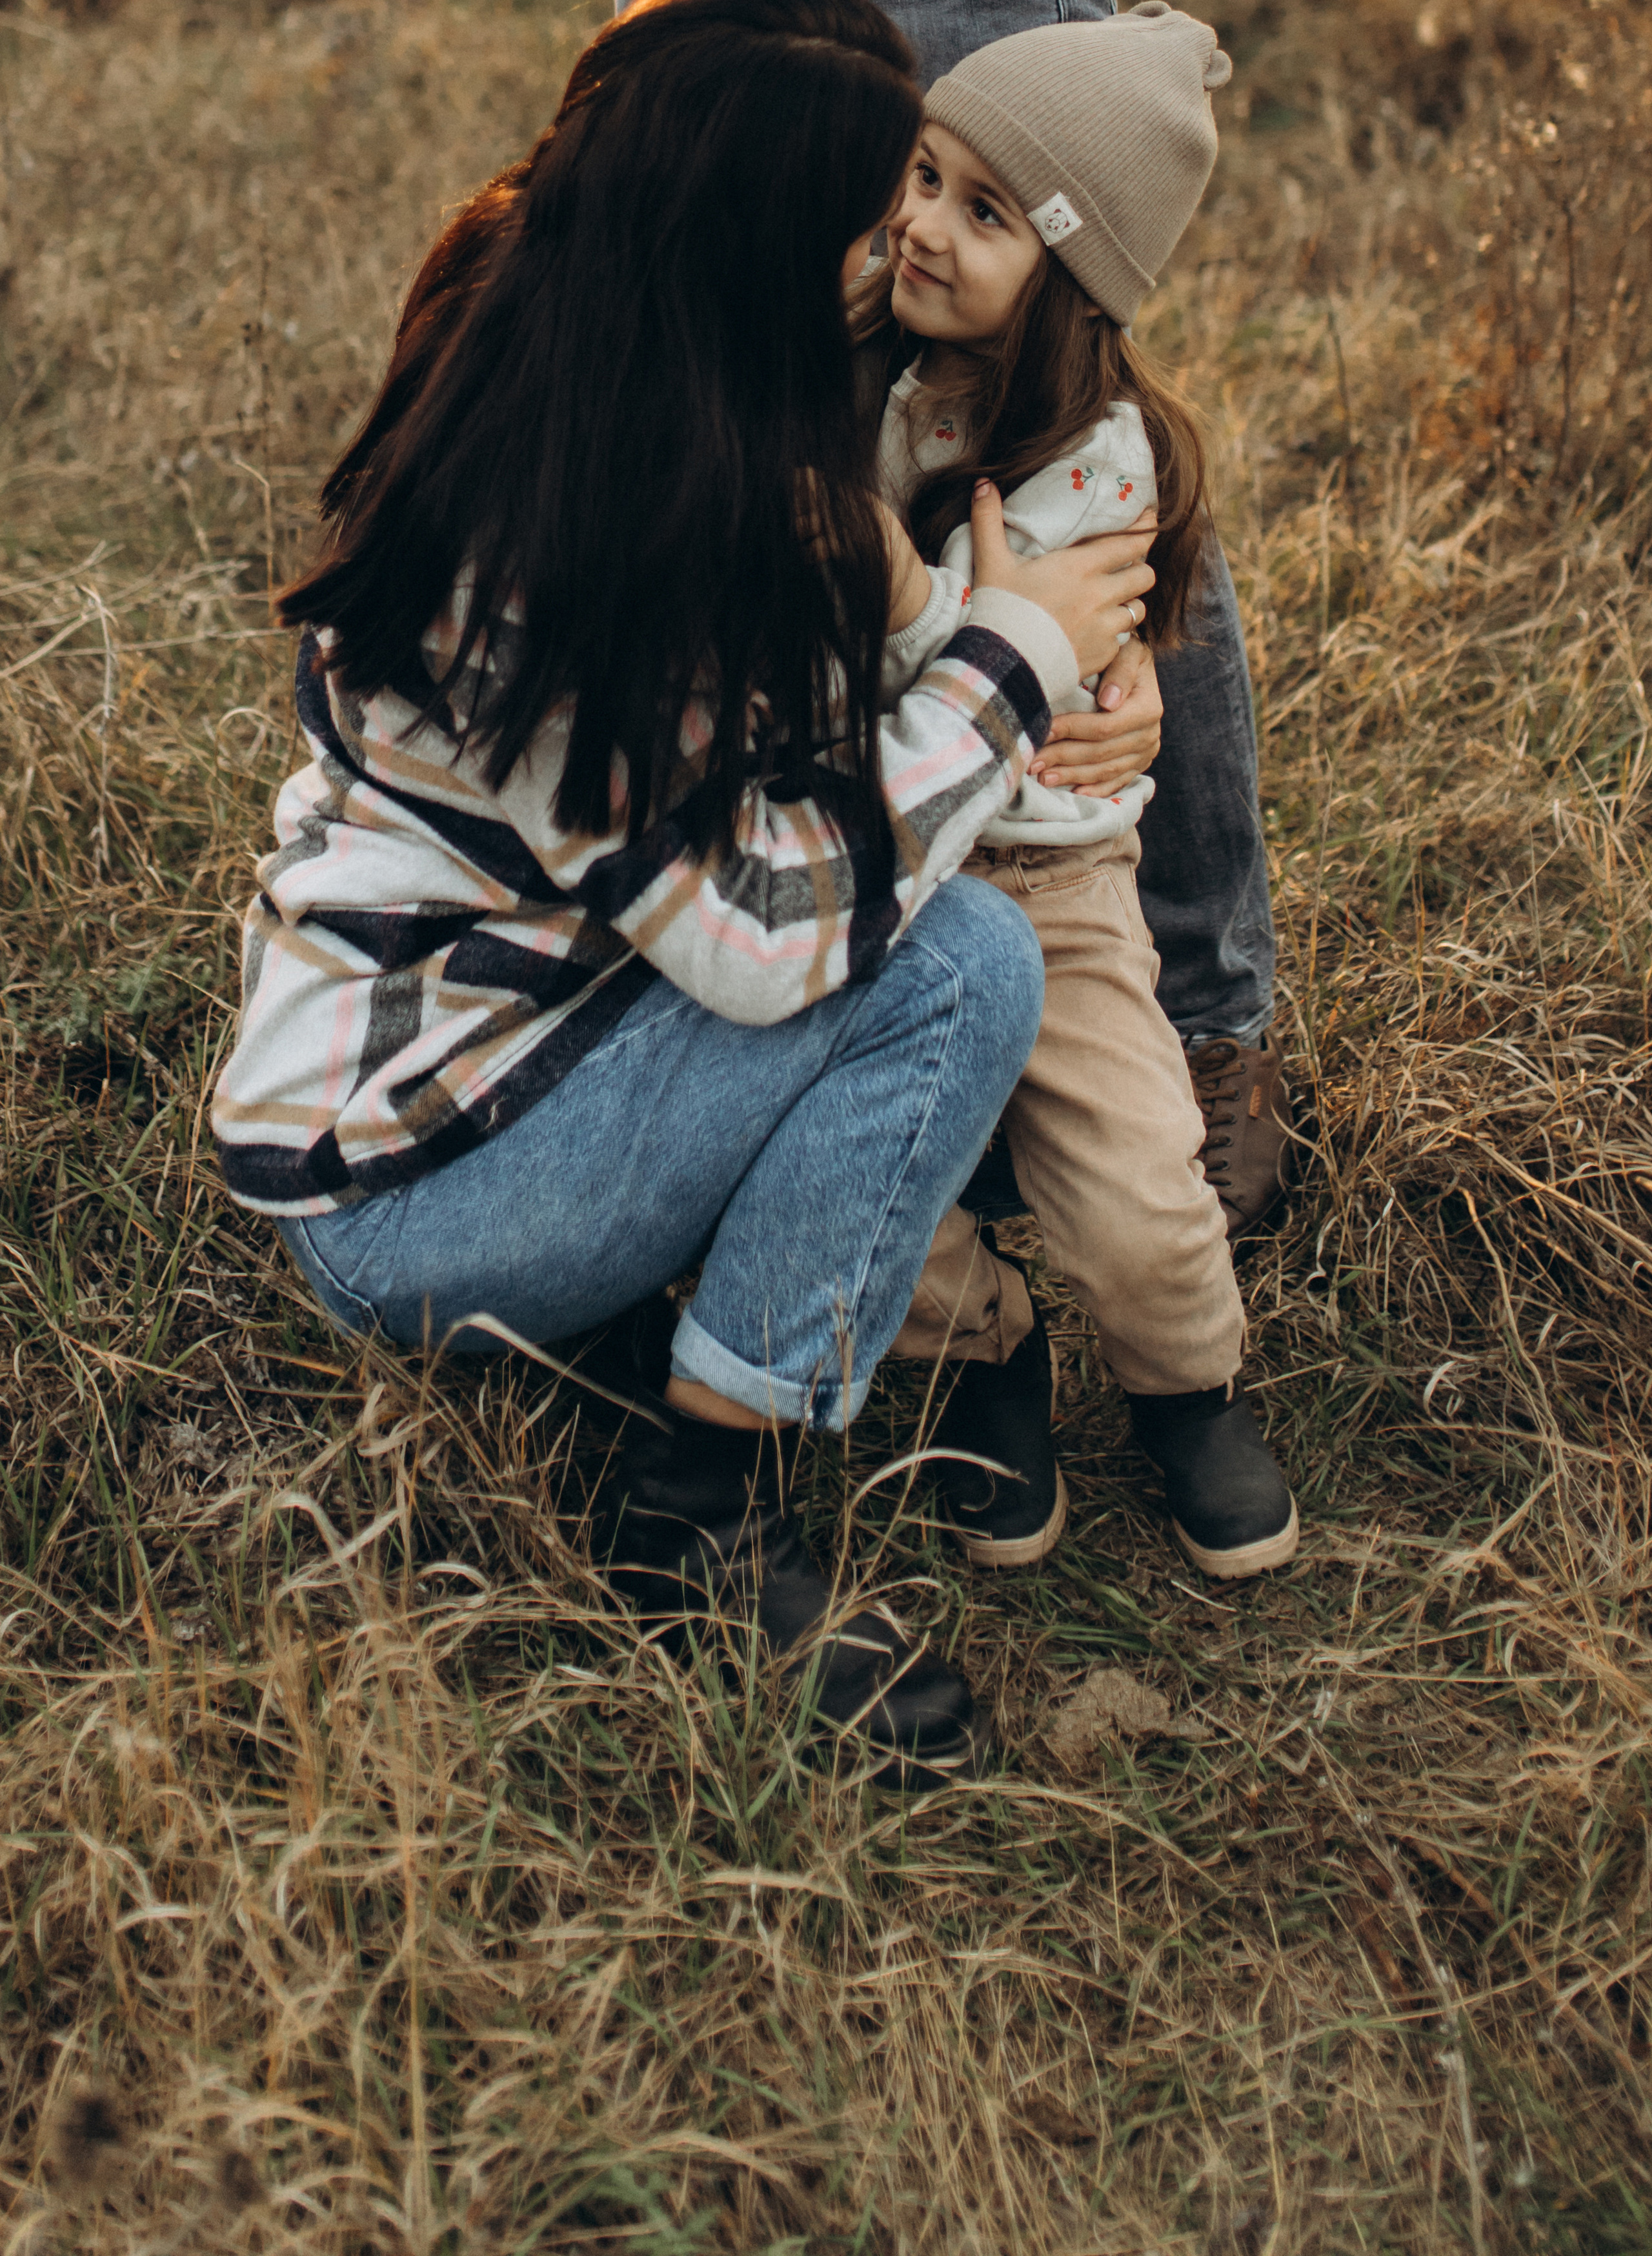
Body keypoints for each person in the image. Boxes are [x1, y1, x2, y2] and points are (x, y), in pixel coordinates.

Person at [211, 0, 1161, 1786]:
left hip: (521, 1023)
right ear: (752, 244)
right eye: (874, 223)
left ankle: (669, 1326)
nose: (900, 256)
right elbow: (764, 934)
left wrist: (1075, 668)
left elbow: (786, 740)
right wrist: (1010, 670)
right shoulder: (569, 547)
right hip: (405, 1201)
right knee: (957, 964)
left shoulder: (587, 355)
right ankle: (697, 1520)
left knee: (923, 913)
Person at [860, 4, 1297, 1578]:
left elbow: (974, 657)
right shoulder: (882, 373)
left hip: (1047, 884)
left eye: (980, 212)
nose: (915, 225)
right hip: (897, 863)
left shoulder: (1094, 463)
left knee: (1136, 1189)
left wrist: (891, 580)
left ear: (1072, 276)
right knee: (876, 1180)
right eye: (916, 176)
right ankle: (979, 1352)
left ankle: (1185, 1385)